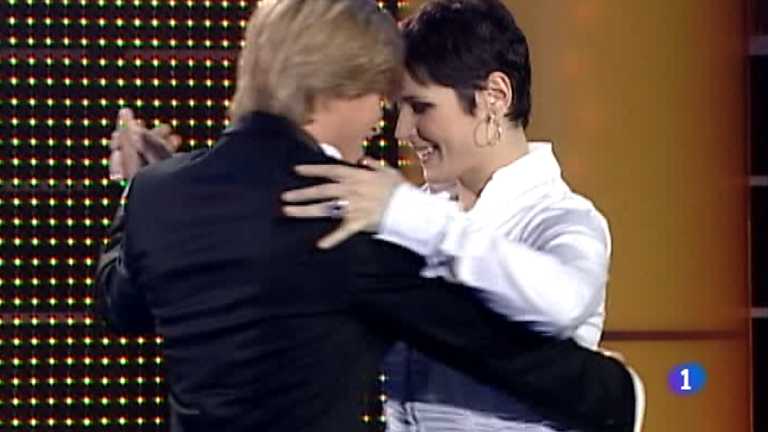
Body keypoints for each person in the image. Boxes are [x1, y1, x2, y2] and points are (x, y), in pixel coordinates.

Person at [97, 0, 642, 431]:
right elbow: (474, 340)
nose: (392, 129)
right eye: (384, 101)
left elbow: (123, 304)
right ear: (336, 88)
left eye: (417, 107)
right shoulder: (346, 215)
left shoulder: (163, 195)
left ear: (494, 97)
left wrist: (138, 189)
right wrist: (613, 394)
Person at [281, 1, 644, 431]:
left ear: (495, 97)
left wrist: (411, 217)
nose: (402, 131)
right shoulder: (411, 217)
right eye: (399, 109)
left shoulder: (563, 220)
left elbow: (564, 301)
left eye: (421, 107)